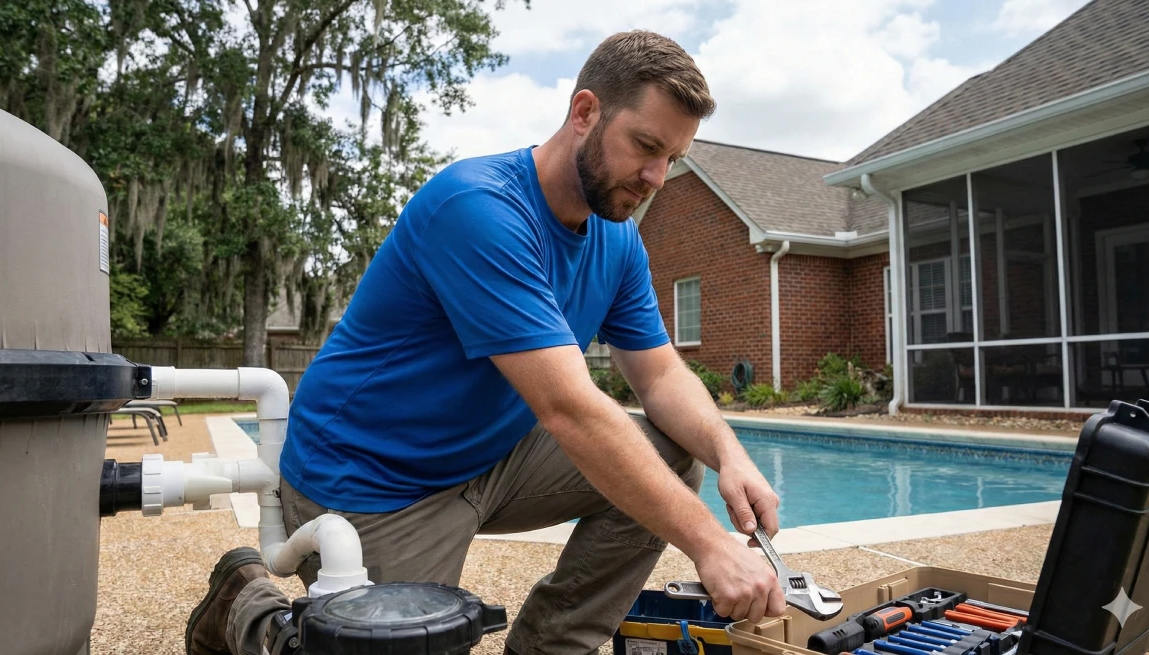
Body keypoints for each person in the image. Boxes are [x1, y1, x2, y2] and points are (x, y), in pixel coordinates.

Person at [185, 29, 786, 655]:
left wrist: (730, 452)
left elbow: (661, 378)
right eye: (646, 146)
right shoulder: (479, 208)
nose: (657, 177)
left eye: (673, 158)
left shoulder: (618, 241)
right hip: (372, 480)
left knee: (674, 452)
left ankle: (551, 647)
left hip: (489, 460)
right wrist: (711, 544)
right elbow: (571, 410)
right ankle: (245, 604)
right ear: (585, 113)